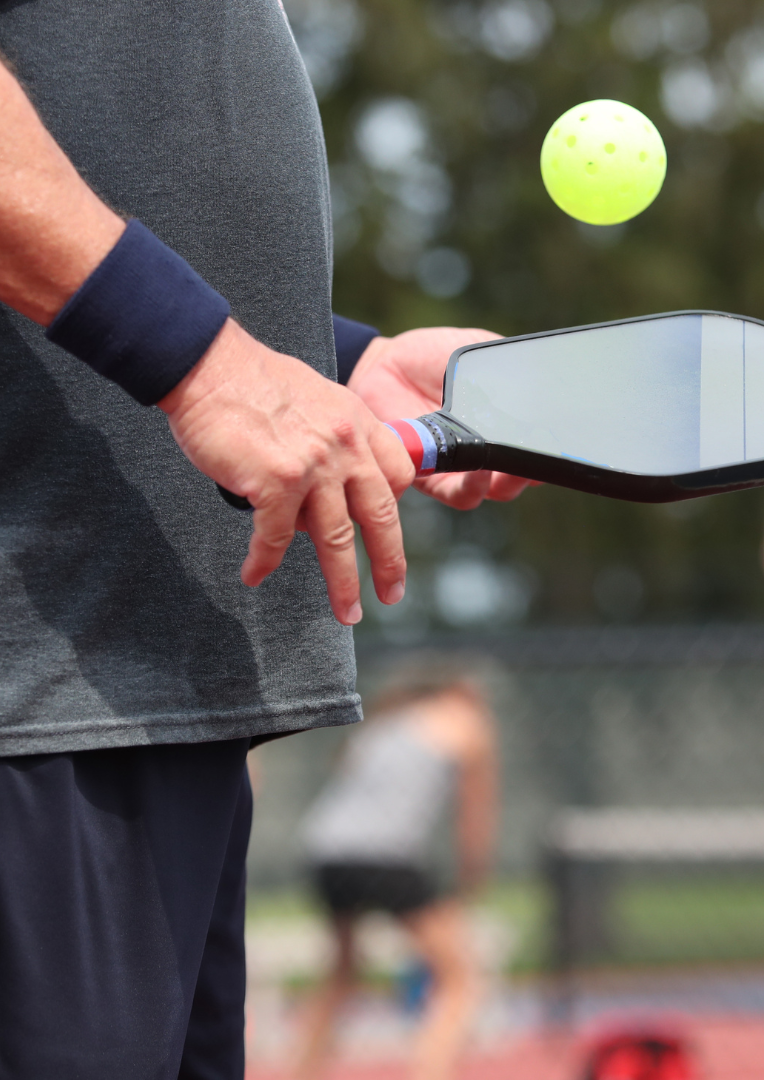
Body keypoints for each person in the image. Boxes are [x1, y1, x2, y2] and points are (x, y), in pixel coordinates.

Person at [0, 5, 526, 1077]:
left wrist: (329, 362)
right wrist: (201, 361)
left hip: (150, 689)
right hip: (40, 692)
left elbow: (109, 172)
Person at [294, 666, 499, 1080]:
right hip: (386, 855)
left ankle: (302, 1071)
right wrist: (471, 879)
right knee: (460, 978)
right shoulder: (468, 724)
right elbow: (474, 819)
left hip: (326, 850)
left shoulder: (388, 721)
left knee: (342, 973)